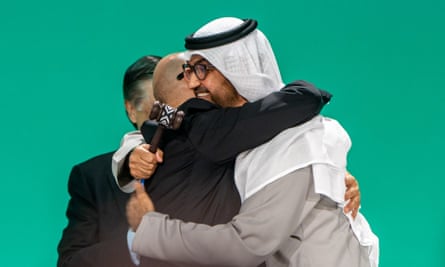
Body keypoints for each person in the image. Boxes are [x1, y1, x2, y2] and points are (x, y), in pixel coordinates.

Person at [126, 17, 378, 267]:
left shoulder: (294, 140)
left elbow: (245, 246)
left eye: (201, 69)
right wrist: (129, 157)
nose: (192, 82)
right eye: (189, 71)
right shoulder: (236, 131)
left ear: (236, 66)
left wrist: (149, 230)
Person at [57, 55, 169, 267]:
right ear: (130, 110)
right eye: (156, 110)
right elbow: (70, 262)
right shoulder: (92, 178)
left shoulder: (210, 164)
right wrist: (135, 243)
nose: (169, 118)